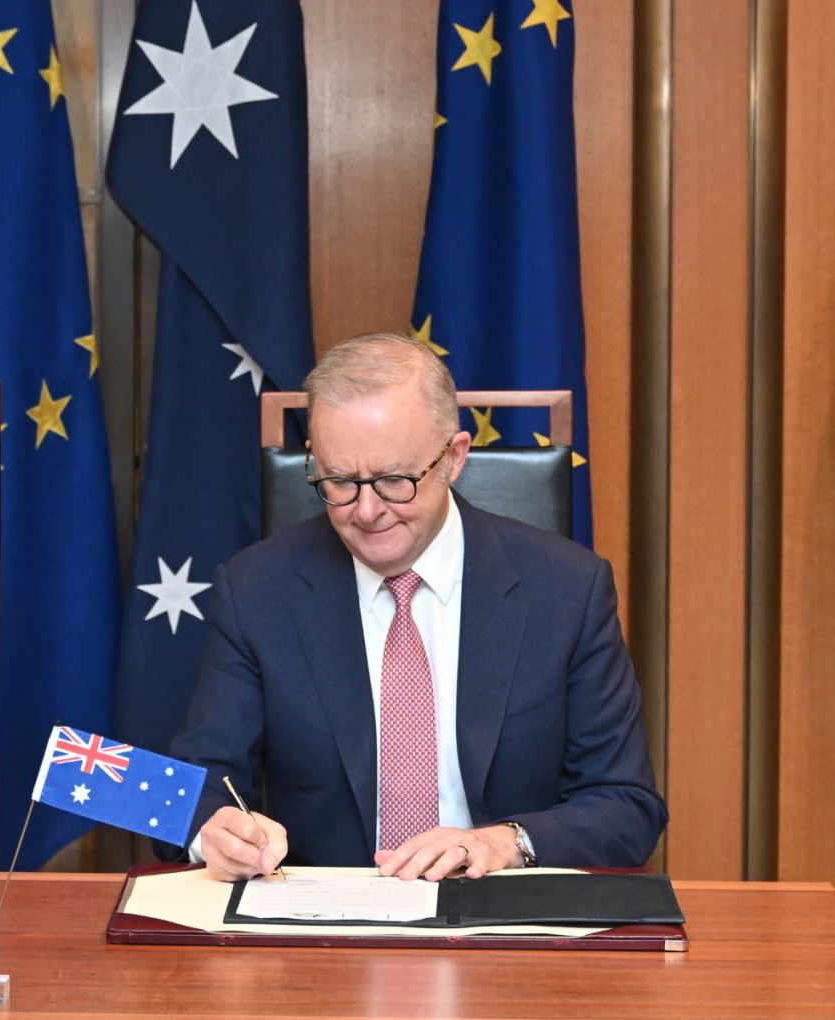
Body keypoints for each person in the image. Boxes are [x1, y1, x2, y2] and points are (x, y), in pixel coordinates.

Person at [172, 332, 666, 882]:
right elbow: (202, 779)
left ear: (454, 458)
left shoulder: (566, 589)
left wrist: (507, 843)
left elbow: (627, 805)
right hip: (320, 927)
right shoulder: (257, 590)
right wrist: (211, 832)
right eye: (339, 481)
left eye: (393, 480)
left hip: (501, 917)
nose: (366, 511)